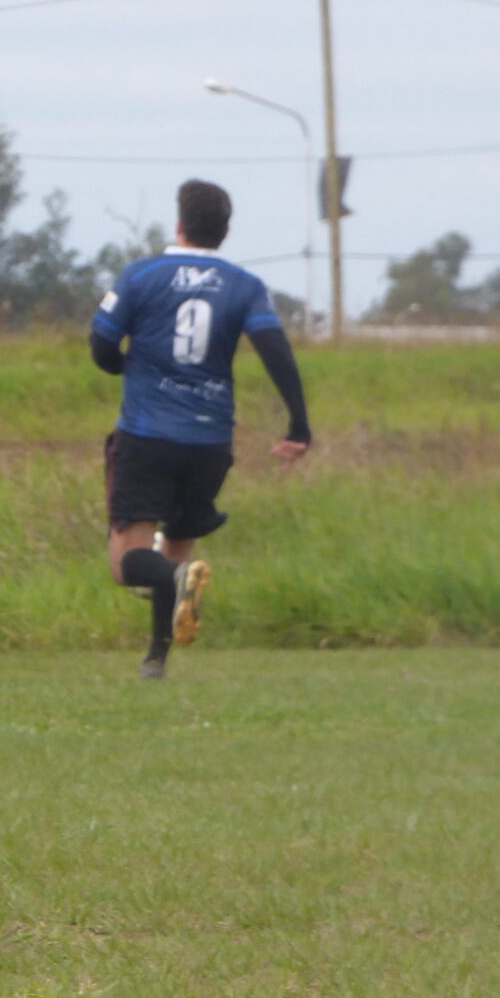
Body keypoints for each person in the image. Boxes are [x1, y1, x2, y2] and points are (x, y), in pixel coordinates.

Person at [90, 179, 310, 680]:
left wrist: (126, 366)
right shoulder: (244, 285)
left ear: (179, 224)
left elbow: (101, 347)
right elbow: (276, 350)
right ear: (225, 231)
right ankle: (156, 659)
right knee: (178, 544)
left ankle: (175, 586)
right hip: (210, 441)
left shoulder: (142, 275)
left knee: (128, 562)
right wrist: (298, 423)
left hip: (147, 434)